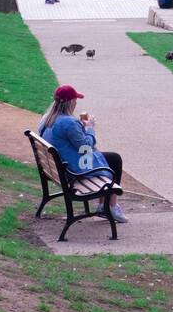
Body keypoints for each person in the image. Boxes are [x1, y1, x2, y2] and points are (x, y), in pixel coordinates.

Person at [37, 85, 126, 222]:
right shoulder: (69, 122)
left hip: (56, 168)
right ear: (71, 102)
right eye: (75, 100)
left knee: (112, 158)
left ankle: (104, 205)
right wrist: (90, 128)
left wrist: (80, 127)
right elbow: (86, 147)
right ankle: (111, 207)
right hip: (73, 171)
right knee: (114, 160)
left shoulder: (47, 118)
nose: (76, 103)